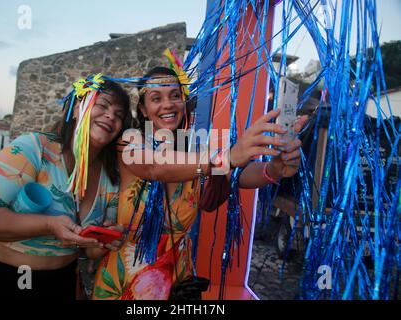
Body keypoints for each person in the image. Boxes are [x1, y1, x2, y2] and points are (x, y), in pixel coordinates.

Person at [89, 65, 309, 300]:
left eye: (175, 96)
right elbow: (155, 167)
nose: (168, 104)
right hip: (125, 283)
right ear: (143, 109)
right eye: (156, 98)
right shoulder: (130, 142)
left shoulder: (198, 150)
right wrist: (226, 157)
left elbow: (240, 175)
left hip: (179, 283)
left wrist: (274, 168)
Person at [0, 74, 131, 300]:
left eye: (119, 114)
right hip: (0, 279)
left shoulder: (111, 177)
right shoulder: (33, 149)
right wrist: (49, 224)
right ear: (78, 108)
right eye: (103, 105)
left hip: (60, 283)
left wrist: (107, 240)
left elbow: (88, 250)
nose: (110, 116)